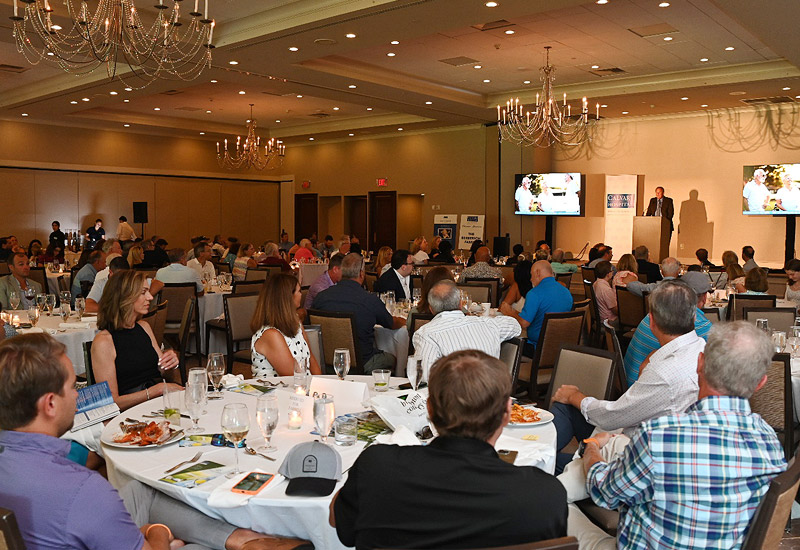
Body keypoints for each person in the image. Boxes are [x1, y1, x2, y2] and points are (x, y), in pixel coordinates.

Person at [0, 333, 311, 550]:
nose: (79, 393)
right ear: (50, 404)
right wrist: (158, 532)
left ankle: (240, 538)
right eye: (73, 386)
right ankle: (235, 542)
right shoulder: (82, 490)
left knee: (139, 487)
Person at [330, 349, 568, 549]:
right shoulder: (544, 496)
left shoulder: (377, 467)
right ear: (507, 414)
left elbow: (340, 526)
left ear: (430, 409)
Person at [579, 322, 786, 550]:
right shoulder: (770, 443)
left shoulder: (659, 435)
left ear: (700, 364)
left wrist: (591, 448)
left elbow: (605, 492)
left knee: (562, 510)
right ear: (760, 383)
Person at [550, 280, 705, 472]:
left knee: (547, 459)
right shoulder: (703, 349)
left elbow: (614, 417)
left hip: (633, 457)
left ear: (651, 321)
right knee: (568, 411)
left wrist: (575, 396)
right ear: (694, 316)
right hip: (669, 446)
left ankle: (529, 465)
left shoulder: (664, 372)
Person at [91, 271, 182, 410]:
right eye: (143, 292)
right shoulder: (104, 342)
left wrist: (170, 363)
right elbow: (111, 403)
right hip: (130, 413)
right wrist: (155, 391)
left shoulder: (144, 327)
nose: (150, 297)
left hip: (157, 404)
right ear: (125, 297)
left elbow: (164, 374)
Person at [312, 253, 404, 373]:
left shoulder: (321, 298)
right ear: (361, 273)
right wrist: (403, 321)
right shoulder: (369, 300)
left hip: (328, 363)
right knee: (391, 358)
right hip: (363, 363)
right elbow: (391, 323)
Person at [623, 271, 713, 386]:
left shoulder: (656, 313)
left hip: (627, 377)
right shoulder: (700, 326)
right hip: (646, 385)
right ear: (705, 297)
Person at [413, 280, 521, 374]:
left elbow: (425, 376)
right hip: (491, 392)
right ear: (460, 304)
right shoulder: (489, 325)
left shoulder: (425, 334)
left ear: (431, 308)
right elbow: (515, 326)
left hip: (453, 395)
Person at [251, 273, 323, 379]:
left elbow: (310, 358)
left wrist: (322, 383)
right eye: (299, 291)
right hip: (275, 391)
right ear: (288, 297)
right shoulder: (271, 334)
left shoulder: (296, 322)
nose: (301, 294)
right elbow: (293, 376)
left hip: (301, 387)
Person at [499, 261, 572, 356]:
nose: (530, 279)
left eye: (531, 275)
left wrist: (509, 312)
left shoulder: (534, 293)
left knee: (500, 343)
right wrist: (515, 312)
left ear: (537, 273)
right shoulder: (566, 292)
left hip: (537, 348)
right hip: (560, 348)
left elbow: (524, 323)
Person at [592, 261, 618, 327]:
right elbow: (615, 310)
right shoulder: (606, 289)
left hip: (600, 317)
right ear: (608, 274)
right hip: (608, 320)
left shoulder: (595, 284)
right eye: (612, 271)